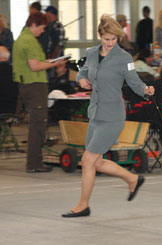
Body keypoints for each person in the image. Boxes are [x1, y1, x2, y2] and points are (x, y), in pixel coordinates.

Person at [62, 15, 154, 218]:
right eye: (107, 39)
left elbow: (134, 81)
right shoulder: (92, 53)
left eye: (114, 39)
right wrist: (82, 79)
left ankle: (83, 205)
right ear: (100, 36)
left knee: (87, 160)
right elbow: (82, 71)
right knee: (97, 161)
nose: (111, 43)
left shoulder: (124, 58)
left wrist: (146, 90)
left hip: (113, 116)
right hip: (95, 113)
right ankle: (132, 179)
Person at [12, 12, 68, 173]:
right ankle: (34, 163)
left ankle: (35, 161)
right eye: (42, 28)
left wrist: (56, 61)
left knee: (38, 124)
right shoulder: (28, 41)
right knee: (38, 124)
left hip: (30, 84)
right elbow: (35, 66)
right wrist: (53, 65)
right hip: (34, 85)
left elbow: (38, 62)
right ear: (34, 25)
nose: (42, 31)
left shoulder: (23, 38)